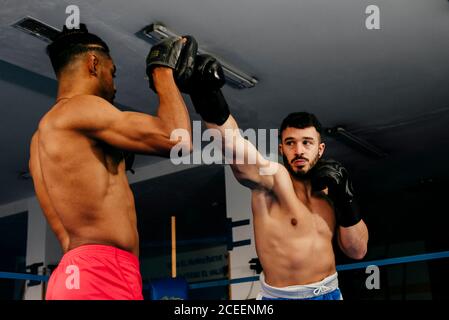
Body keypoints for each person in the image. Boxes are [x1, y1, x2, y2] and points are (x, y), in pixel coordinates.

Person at [28, 24, 196, 300]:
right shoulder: (80, 108)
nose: (115, 85)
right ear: (93, 63)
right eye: (113, 72)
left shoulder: (40, 139)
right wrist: (162, 73)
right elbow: (178, 140)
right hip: (102, 275)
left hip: (73, 275)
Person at [183, 54, 369, 300]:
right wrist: (206, 95)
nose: (299, 150)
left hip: (331, 292)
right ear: (281, 148)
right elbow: (236, 149)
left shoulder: (330, 191)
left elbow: (357, 251)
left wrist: (346, 197)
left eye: (307, 143)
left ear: (320, 149)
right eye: (290, 143)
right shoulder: (274, 180)